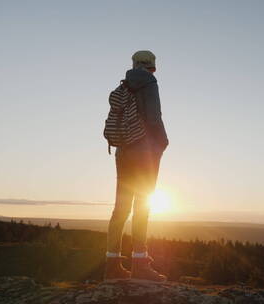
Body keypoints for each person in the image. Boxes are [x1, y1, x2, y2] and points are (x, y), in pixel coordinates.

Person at [104, 50, 169, 282]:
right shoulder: (150, 83)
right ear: (153, 66)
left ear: (133, 64)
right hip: (144, 152)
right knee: (143, 205)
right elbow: (153, 117)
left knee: (121, 208)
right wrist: (163, 142)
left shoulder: (124, 85)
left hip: (123, 150)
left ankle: (112, 265)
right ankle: (139, 263)